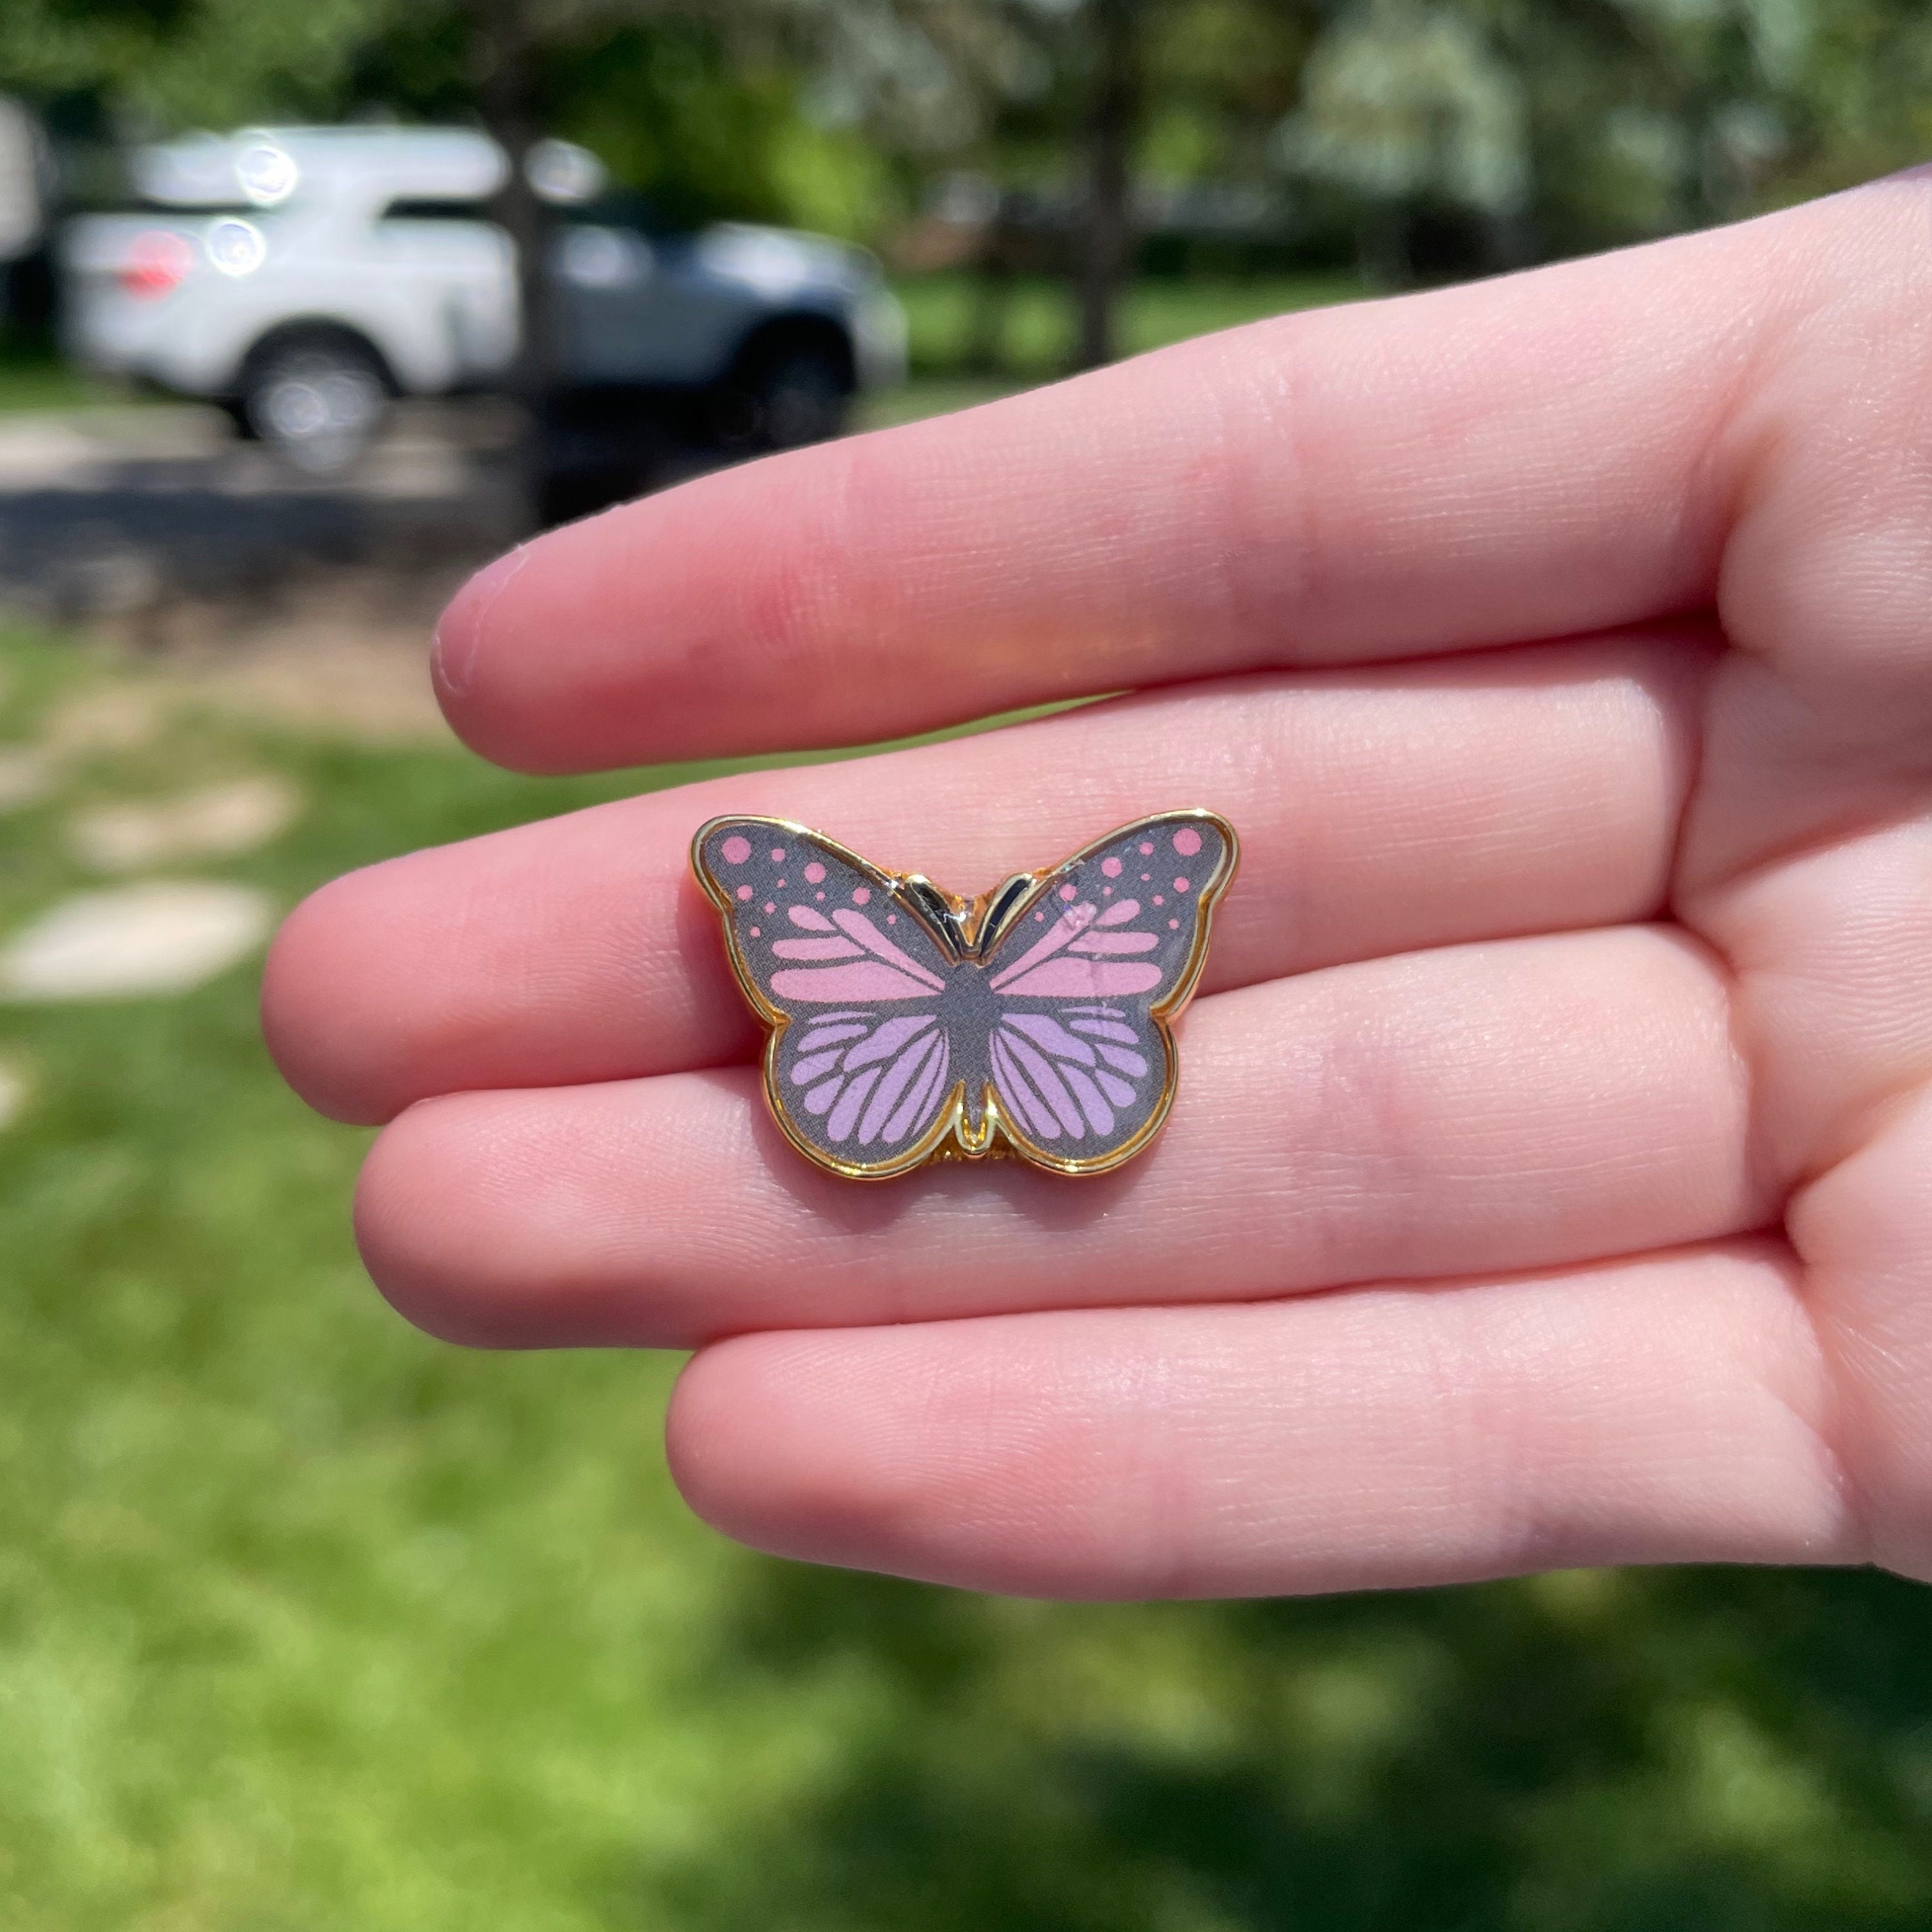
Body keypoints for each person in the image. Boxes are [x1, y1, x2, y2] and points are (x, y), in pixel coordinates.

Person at [261, 174, 1932, 1601]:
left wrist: (920, 964)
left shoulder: (876, 925)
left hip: (912, 1050)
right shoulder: (1057, 923)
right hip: (1036, 1050)